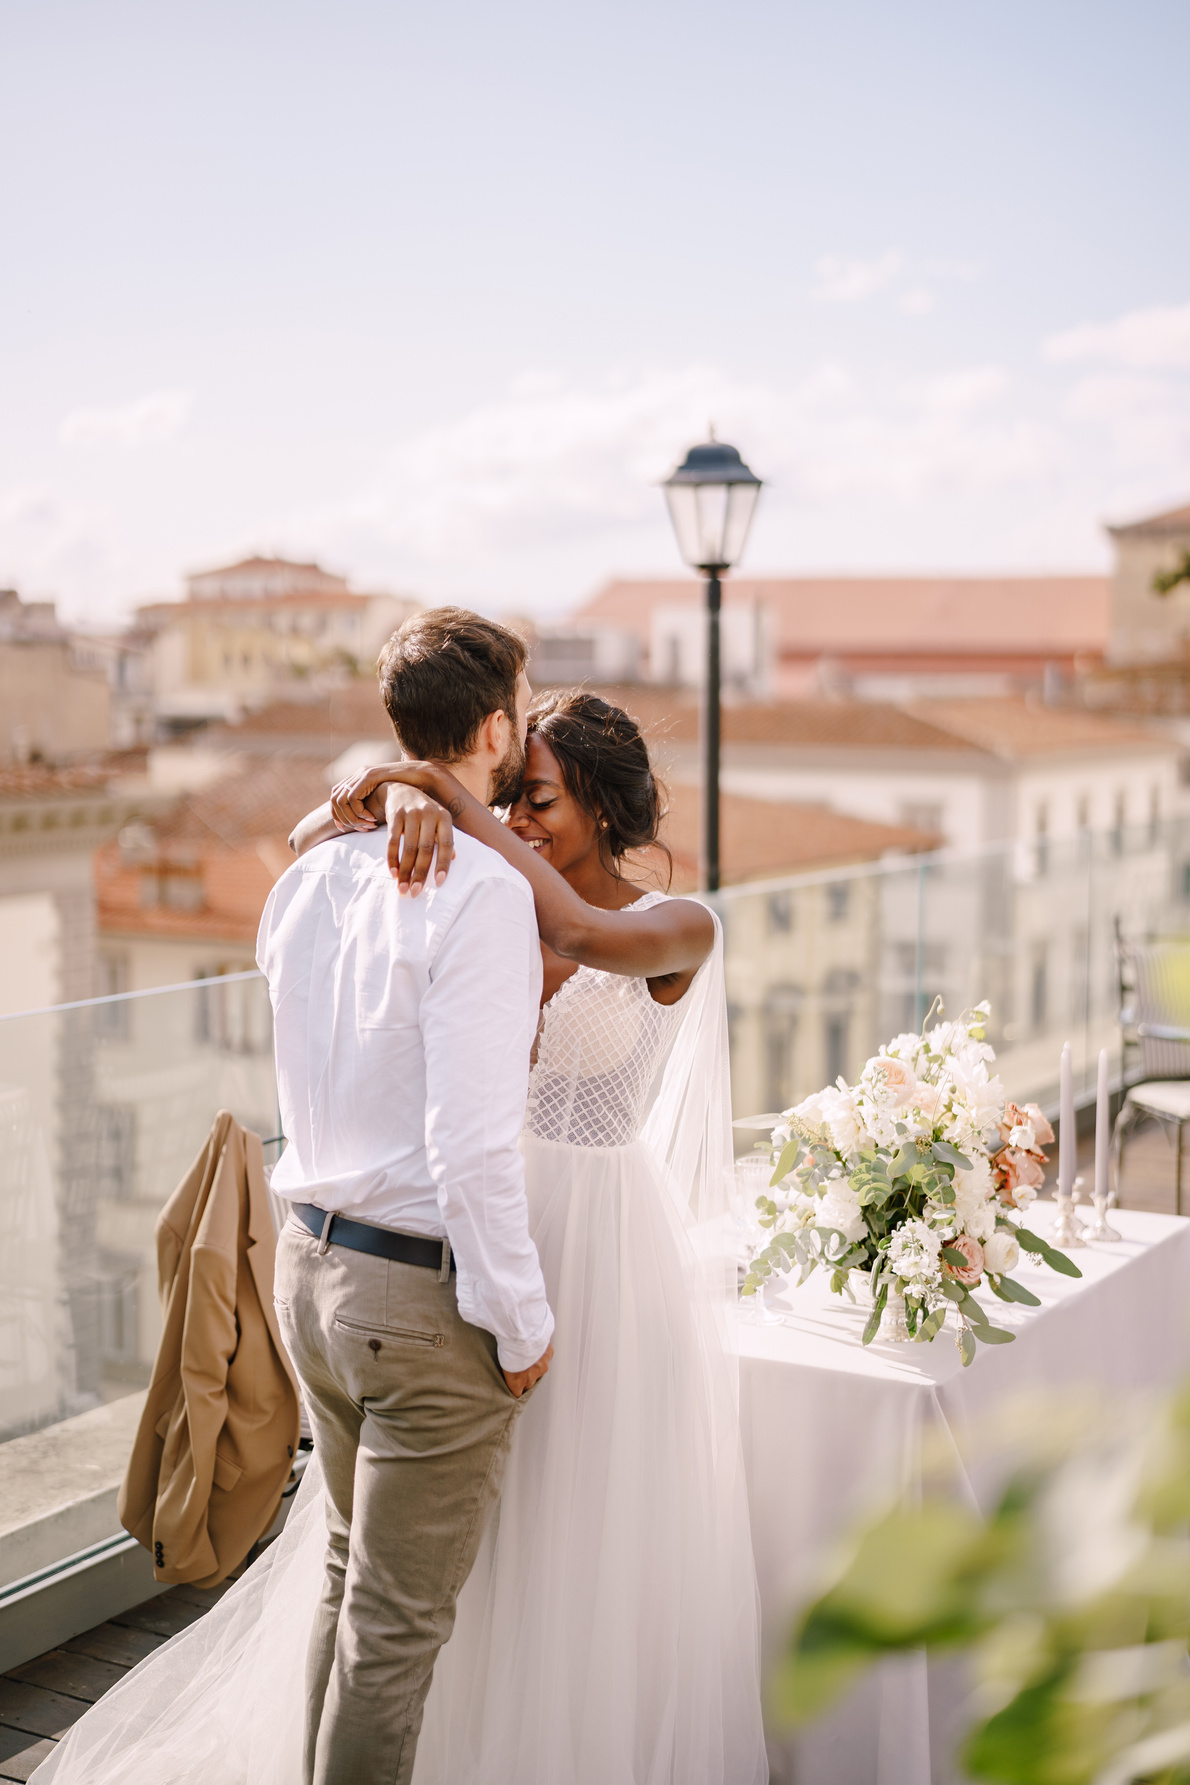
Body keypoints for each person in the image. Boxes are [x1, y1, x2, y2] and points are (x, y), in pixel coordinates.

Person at [33, 667, 767, 1785]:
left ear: (608, 811)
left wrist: (443, 793)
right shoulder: (484, 895)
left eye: (541, 799)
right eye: (511, 793)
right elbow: (309, 838)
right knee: (427, 1560)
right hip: (474, 1234)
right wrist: (409, 798)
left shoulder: (671, 927)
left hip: (603, 1247)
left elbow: (578, 924)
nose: (518, 816)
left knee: (571, 1524)